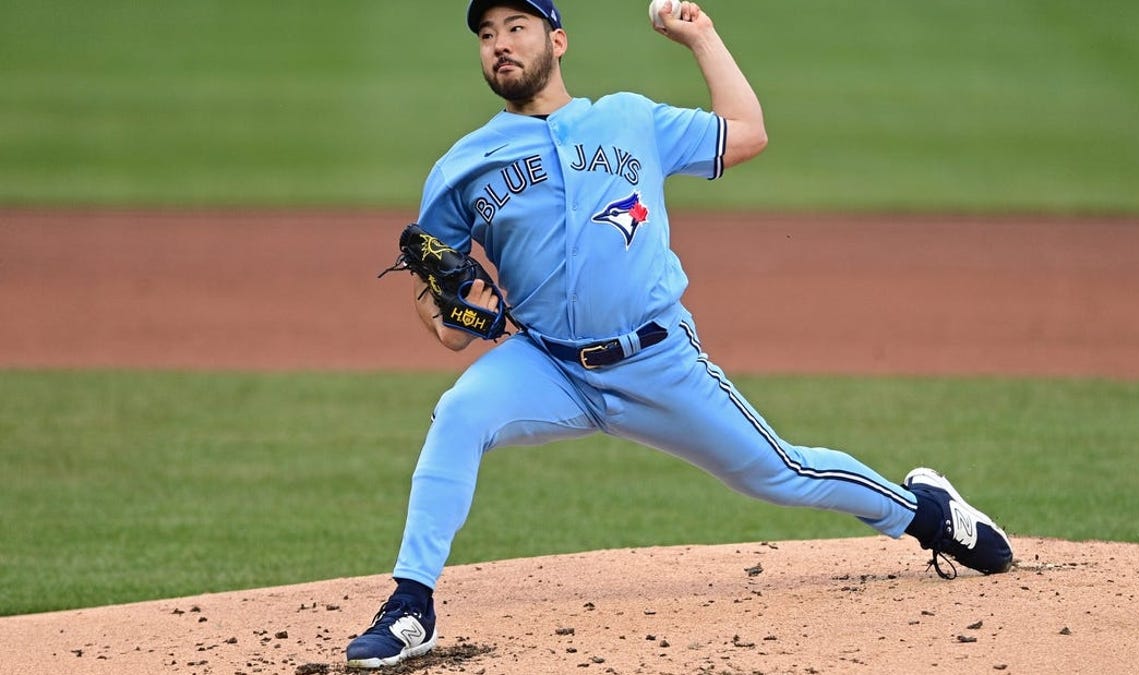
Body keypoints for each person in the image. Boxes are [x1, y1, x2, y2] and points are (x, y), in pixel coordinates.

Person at [345, 0, 1014, 668]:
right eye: (487, 34)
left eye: (516, 28)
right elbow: (439, 310)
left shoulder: (631, 118)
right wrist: (460, 312)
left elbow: (746, 132)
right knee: (460, 411)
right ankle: (411, 605)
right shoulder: (464, 165)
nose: (500, 44)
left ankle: (925, 510)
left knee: (782, 472)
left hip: (657, 361)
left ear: (558, 40)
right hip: (546, 366)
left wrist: (702, 38)